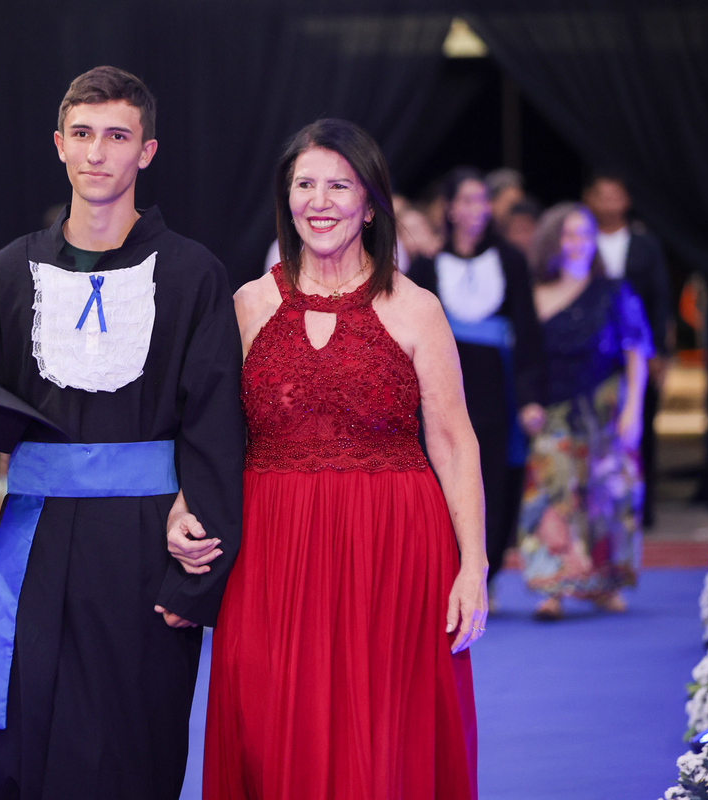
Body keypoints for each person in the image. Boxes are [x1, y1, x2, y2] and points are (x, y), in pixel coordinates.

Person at [0, 66, 245, 799]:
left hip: (149, 543)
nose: (96, 152)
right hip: (38, 541)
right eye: (82, 134)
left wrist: (197, 573)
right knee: (26, 737)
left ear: (146, 151)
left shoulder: (193, 274)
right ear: (58, 145)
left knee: (135, 745)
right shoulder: (9, 271)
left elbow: (218, 425)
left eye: (117, 136)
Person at [196, 119, 486, 799]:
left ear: (371, 204)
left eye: (339, 186)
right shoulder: (247, 306)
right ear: (286, 198)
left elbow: (453, 440)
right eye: (305, 185)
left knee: (383, 741)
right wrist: (187, 505)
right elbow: (211, 435)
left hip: (394, 551)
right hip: (272, 550)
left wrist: (473, 565)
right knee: (269, 726)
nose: (319, 202)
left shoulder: (416, 309)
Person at [407, 167, 546, 603]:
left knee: (496, 478)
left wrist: (530, 398)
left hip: (497, 389)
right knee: (442, 473)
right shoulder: (426, 265)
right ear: (449, 208)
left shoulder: (511, 261)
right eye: (466, 200)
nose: (476, 210)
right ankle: (446, 570)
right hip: (441, 387)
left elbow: (527, 333)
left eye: (482, 201)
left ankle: (486, 572)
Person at [518, 202, 651, 620]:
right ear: (553, 240)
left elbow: (637, 351)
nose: (578, 243)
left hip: (605, 409)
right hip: (554, 411)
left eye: (586, 235)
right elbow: (525, 359)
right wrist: (527, 403)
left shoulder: (614, 290)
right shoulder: (533, 294)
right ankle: (551, 589)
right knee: (550, 494)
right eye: (570, 234)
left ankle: (606, 586)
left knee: (609, 497)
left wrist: (633, 411)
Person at [583, 172, 671, 527]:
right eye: (602, 196)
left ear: (627, 200)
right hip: (592, 349)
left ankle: (641, 507)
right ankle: (596, 505)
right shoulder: (581, 239)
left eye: (615, 195)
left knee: (640, 424)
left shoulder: (645, 243)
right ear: (589, 199)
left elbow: (660, 297)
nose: (609, 203)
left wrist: (659, 351)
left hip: (637, 344)